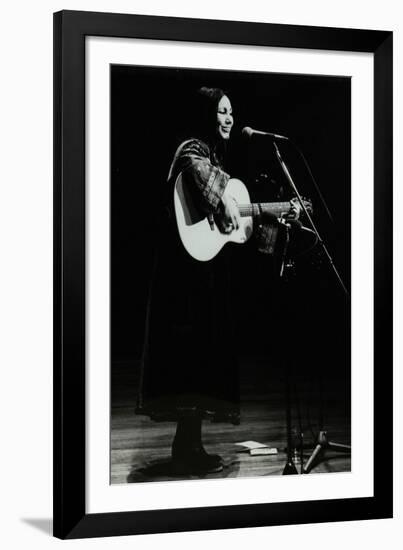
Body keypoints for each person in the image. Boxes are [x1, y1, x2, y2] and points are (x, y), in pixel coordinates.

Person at [136, 87, 241, 474]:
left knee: (200, 356)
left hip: (199, 271)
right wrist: (226, 202)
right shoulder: (192, 149)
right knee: (189, 354)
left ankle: (191, 444)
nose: (229, 118)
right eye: (221, 111)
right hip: (183, 279)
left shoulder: (212, 154)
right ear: (206, 114)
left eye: (231, 112)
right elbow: (201, 176)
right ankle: (186, 448)